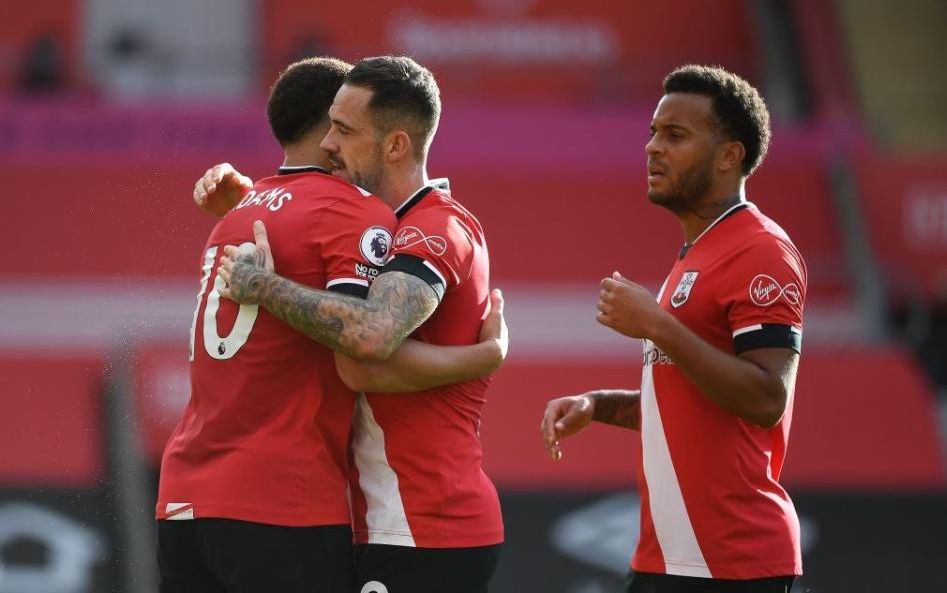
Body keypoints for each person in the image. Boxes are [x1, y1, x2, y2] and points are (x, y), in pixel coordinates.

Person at [157, 57, 506, 593]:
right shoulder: (360, 219)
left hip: (427, 522)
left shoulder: (438, 225)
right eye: (330, 127)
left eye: (343, 131)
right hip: (365, 517)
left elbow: (366, 348)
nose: (328, 145)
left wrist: (266, 280)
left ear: (393, 145)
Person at [540, 65, 805, 593]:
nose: (653, 148)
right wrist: (598, 404)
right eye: (653, 133)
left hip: (733, 562)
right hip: (666, 558)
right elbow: (692, 402)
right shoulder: (696, 255)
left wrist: (658, 325)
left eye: (675, 136)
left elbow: (765, 397)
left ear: (730, 155)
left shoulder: (761, 250)